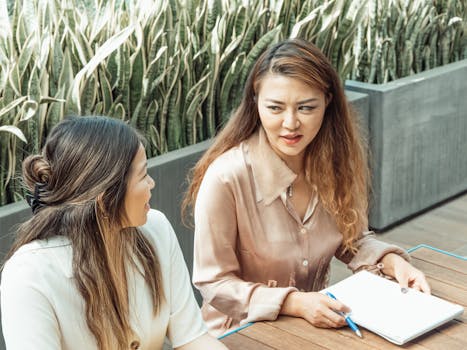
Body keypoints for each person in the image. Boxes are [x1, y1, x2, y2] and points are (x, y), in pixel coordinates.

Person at [183, 38, 431, 337]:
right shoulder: (226, 177)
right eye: (275, 108)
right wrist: (294, 303)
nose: (290, 124)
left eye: (306, 107)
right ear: (255, 102)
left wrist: (390, 261)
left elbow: (350, 239)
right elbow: (214, 283)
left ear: (327, 101)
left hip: (315, 330)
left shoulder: (335, 162)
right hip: (238, 335)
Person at [1, 116, 228, 350]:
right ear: (105, 197)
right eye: (143, 175)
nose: (151, 183)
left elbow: (192, 338)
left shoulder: (156, 229)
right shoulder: (29, 275)